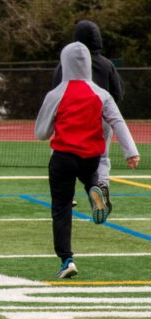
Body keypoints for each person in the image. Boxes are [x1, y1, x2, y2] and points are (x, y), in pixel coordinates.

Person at [35, 42, 140, 279]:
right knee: (92, 179)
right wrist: (131, 151)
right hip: (90, 157)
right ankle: (97, 194)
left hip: (62, 158)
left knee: (61, 208)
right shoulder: (101, 94)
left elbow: (41, 132)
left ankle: (67, 259)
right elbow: (117, 121)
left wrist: (52, 124)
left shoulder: (56, 94)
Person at [51, 20, 125, 214]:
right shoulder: (107, 64)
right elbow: (118, 92)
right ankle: (101, 189)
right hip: (101, 117)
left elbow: (56, 91)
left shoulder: (64, 65)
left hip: (72, 118)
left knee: (62, 153)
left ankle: (69, 195)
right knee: (102, 158)